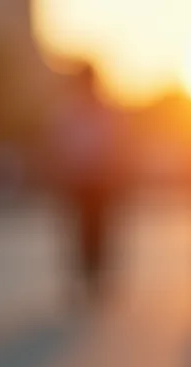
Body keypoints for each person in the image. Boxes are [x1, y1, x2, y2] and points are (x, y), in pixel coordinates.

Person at [53, 64, 121, 301]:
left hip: (99, 180)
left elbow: (114, 147)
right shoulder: (69, 111)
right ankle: (82, 276)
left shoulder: (105, 111)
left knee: (99, 230)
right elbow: (60, 147)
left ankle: (97, 277)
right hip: (77, 180)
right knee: (78, 231)